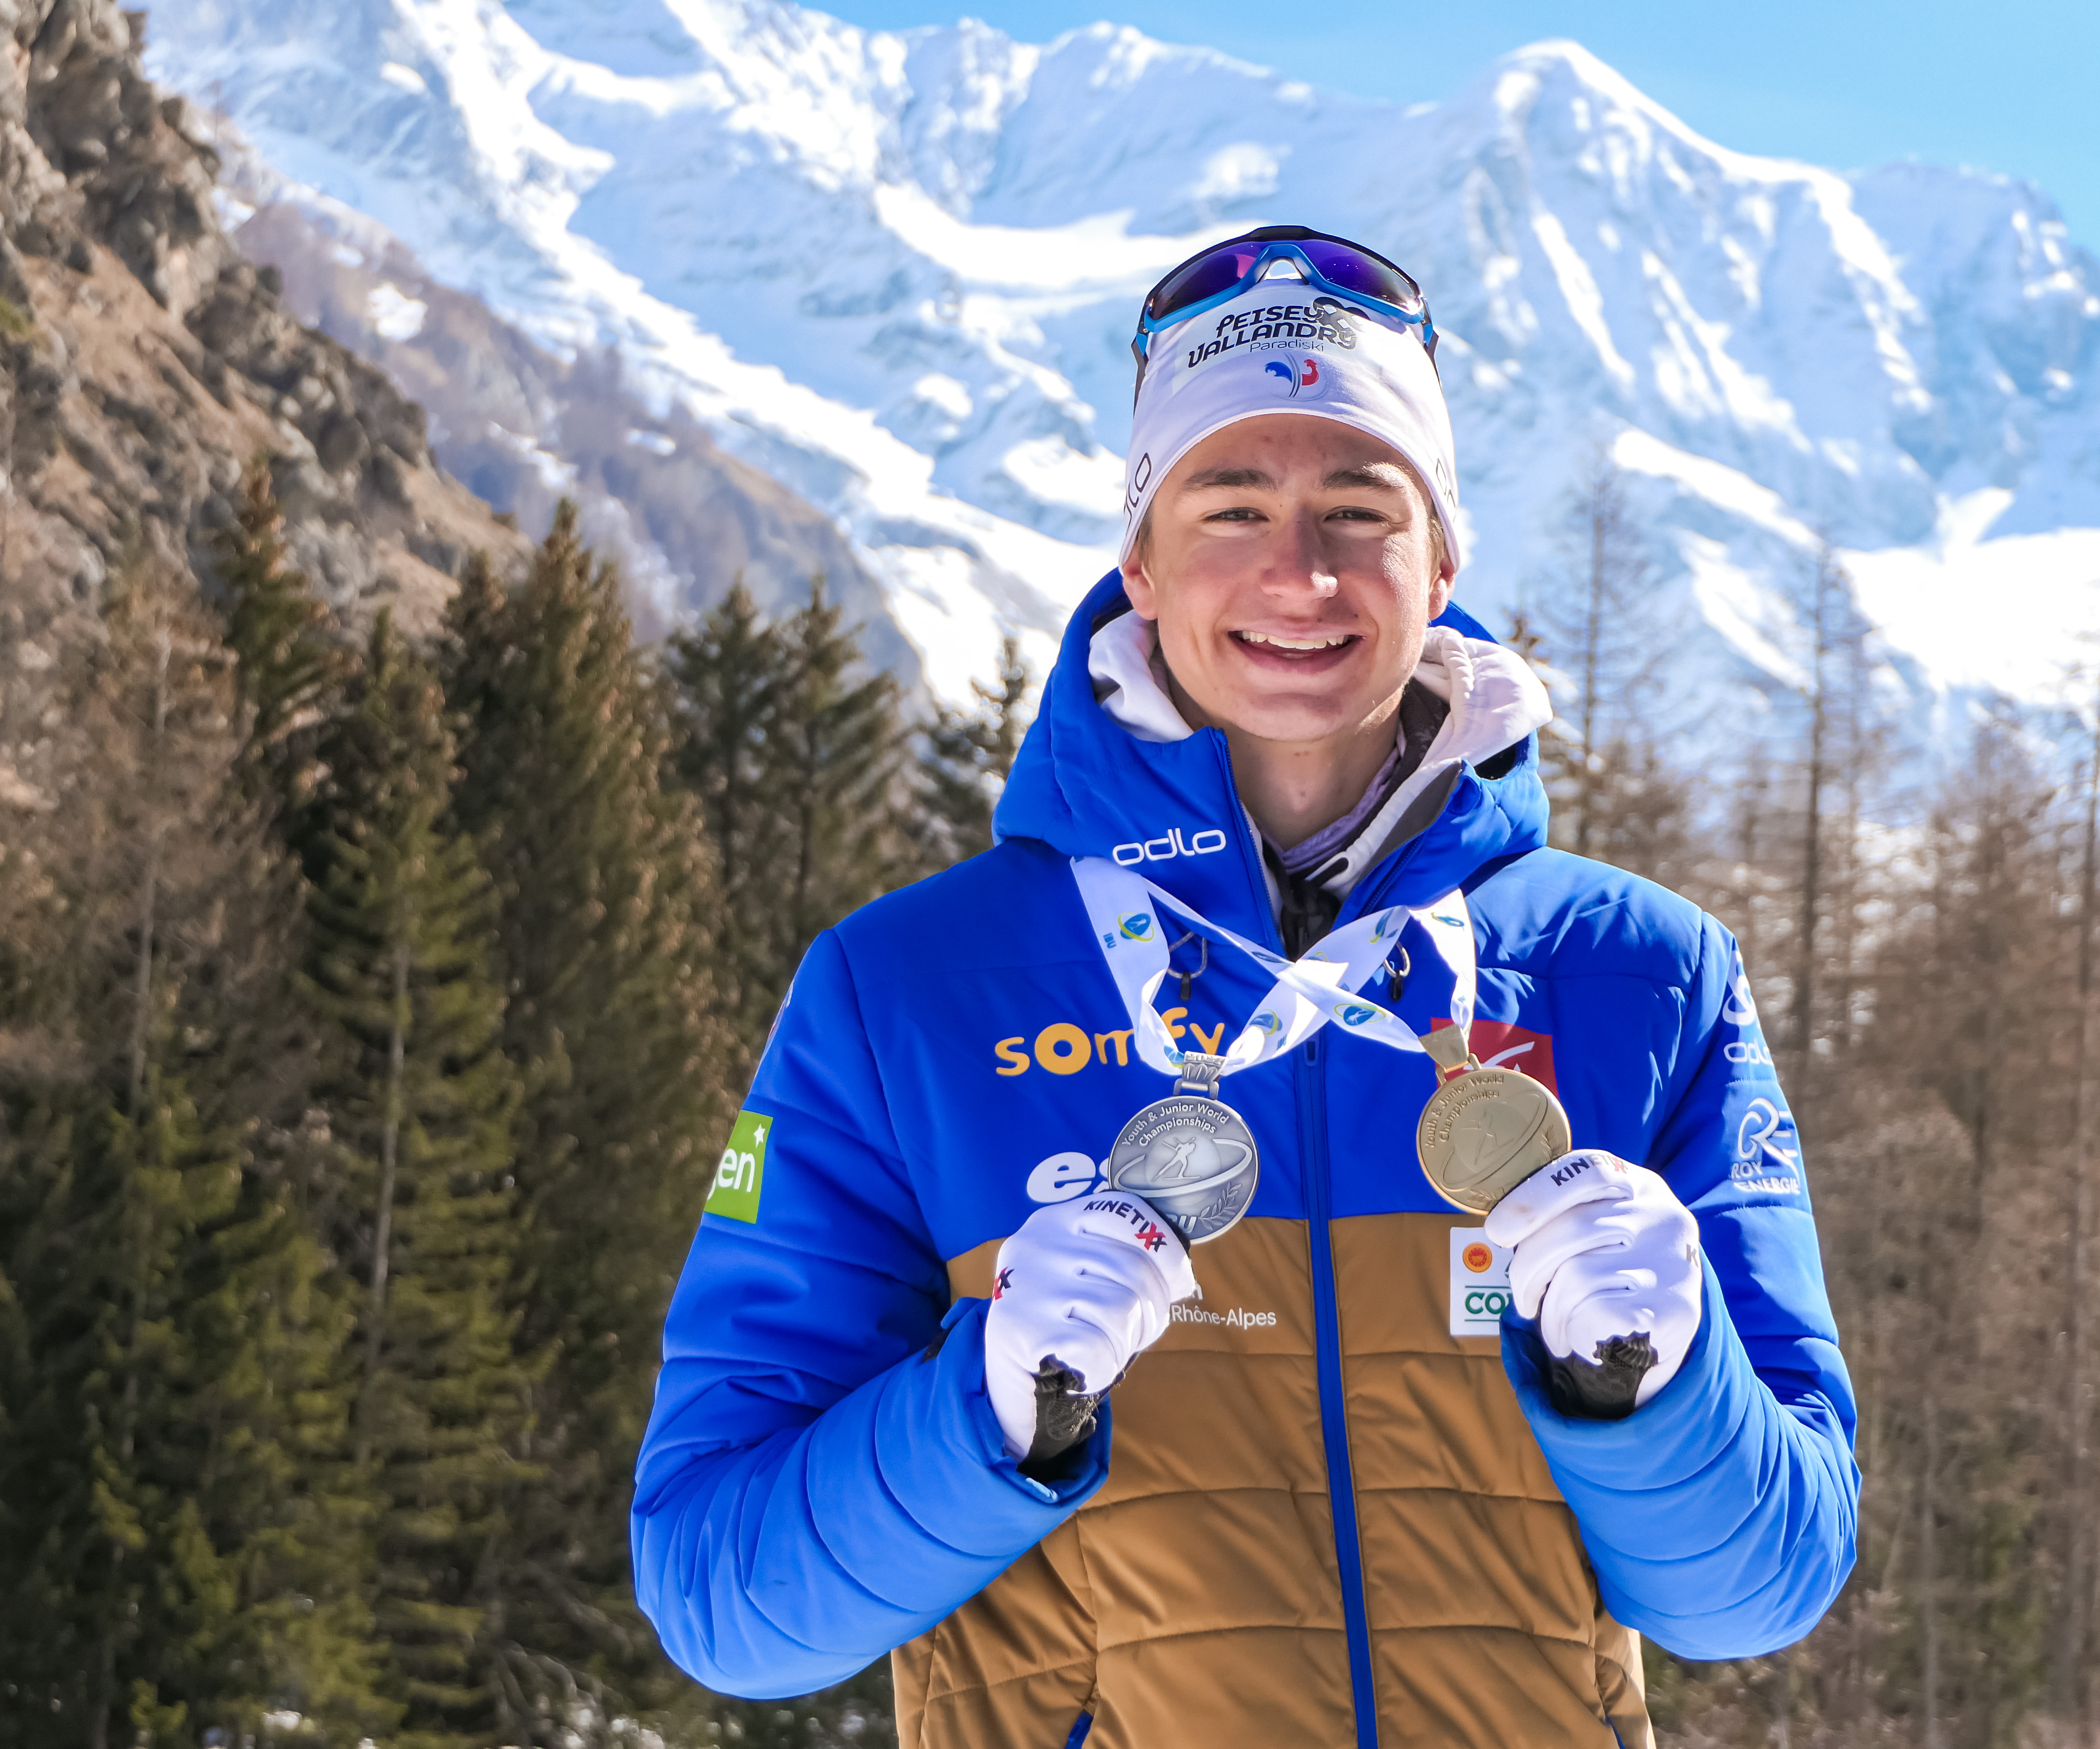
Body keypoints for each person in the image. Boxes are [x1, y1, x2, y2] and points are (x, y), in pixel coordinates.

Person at [633, 224, 1859, 1748]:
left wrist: (1659, 1392)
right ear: (1139, 561)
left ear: (1443, 558)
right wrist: (991, 1415)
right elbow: (718, 1600)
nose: (1303, 570)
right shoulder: (903, 994)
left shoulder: (1644, 976)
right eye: (1232, 503)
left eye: (1362, 506)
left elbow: (1764, 1591)